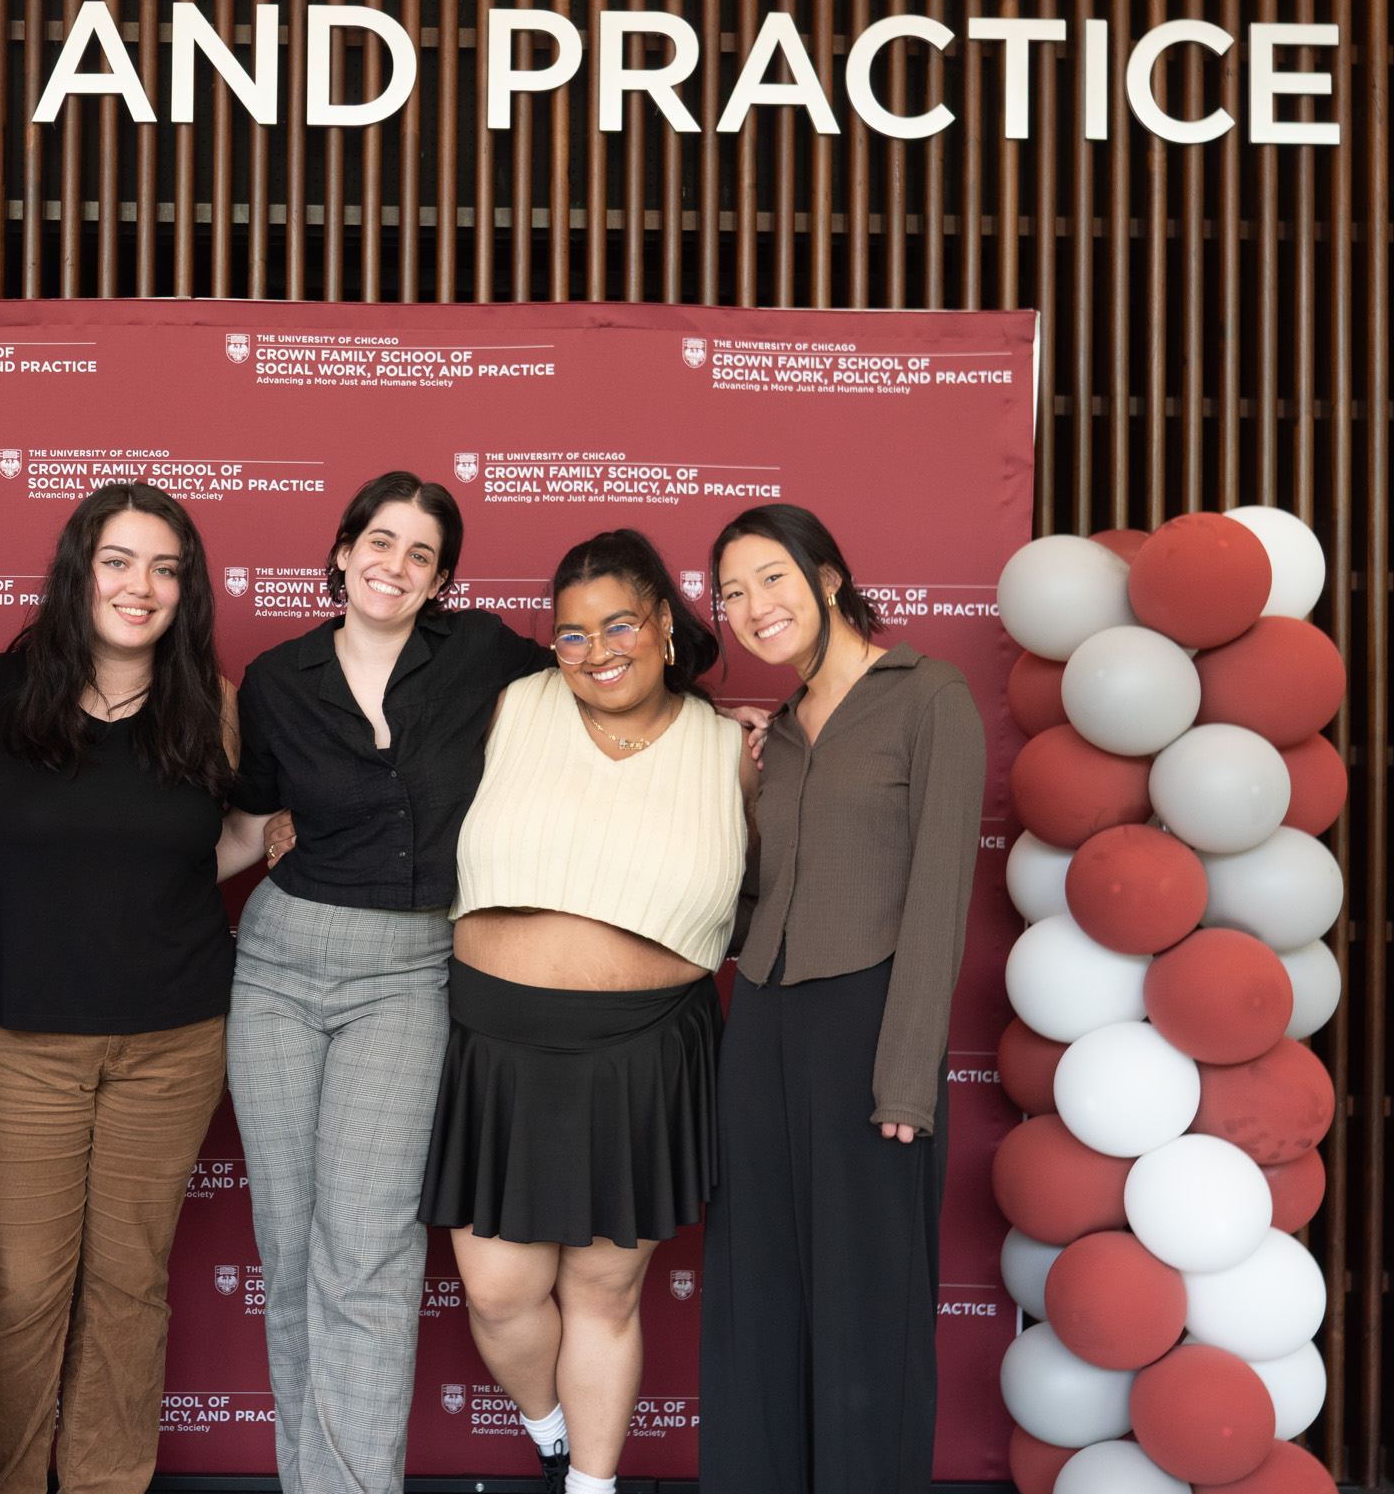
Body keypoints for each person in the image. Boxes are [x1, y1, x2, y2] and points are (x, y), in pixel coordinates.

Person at [226, 471, 554, 1494]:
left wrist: (723, 716)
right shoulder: (275, 679)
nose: (393, 564)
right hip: (277, 962)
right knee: (288, 1251)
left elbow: (611, 679)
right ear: (339, 552)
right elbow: (244, 828)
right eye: (377, 541)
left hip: (406, 970)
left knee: (364, 1256)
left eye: (419, 553)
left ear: (441, 579)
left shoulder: (485, 655)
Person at [0, 484, 269, 1494]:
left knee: (129, 1288)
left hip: (172, 1040)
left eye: (165, 568)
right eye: (120, 561)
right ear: (79, 568)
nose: (142, 586)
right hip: (18, 1038)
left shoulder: (207, 703)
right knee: (22, 1290)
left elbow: (241, 839)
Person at [418, 530, 750, 1494]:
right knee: (497, 1291)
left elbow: (774, 890)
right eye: (571, 633)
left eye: (619, 624)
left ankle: (593, 1487)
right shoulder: (510, 707)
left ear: (664, 625)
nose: (597, 650)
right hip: (492, 1046)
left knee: (605, 1294)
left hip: (641, 1053)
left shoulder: (735, 747)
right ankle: (551, 1429)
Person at [700, 503, 985, 1494]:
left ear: (826, 578)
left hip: (870, 1031)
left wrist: (906, 1084)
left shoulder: (928, 697)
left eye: (768, 579)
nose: (749, 607)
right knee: (756, 1300)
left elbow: (941, 895)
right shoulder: (769, 737)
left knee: (867, 1309)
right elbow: (743, 911)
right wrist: (738, 796)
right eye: (730, 593)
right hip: (763, 1026)